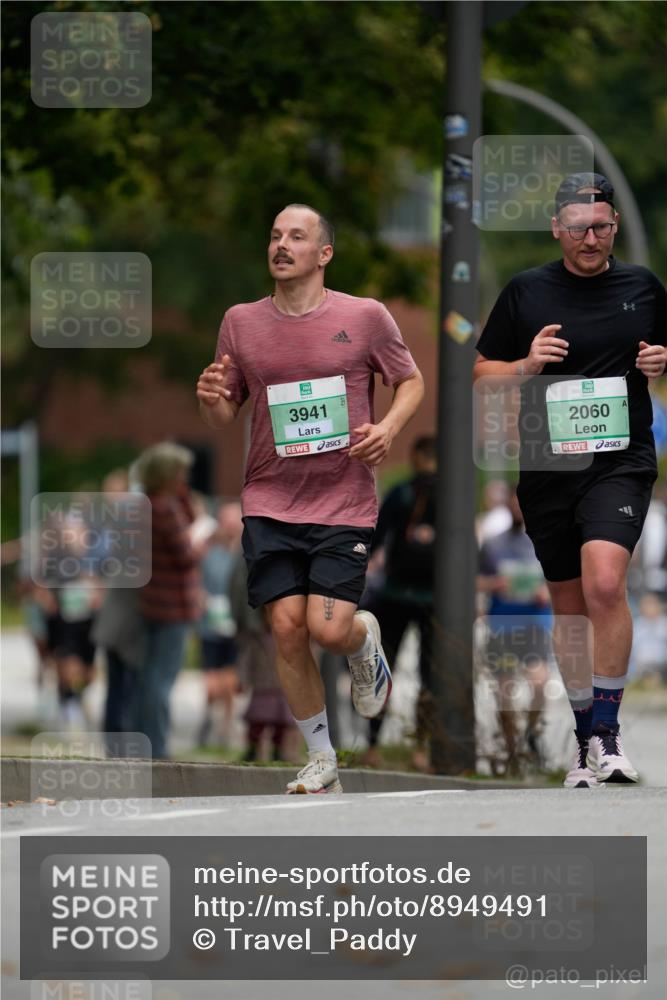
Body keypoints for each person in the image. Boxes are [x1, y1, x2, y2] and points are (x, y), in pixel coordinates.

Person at [197, 202, 424, 793]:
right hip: (268, 498)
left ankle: (361, 639)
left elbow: (410, 380)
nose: (282, 244)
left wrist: (388, 429)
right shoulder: (241, 322)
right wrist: (209, 396)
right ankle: (321, 756)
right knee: (286, 626)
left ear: (323, 253)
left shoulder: (365, 316)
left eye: (296, 236)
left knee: (327, 630)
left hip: (342, 501)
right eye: (275, 235)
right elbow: (225, 411)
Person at [474, 172, 666, 787]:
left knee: (605, 582)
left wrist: (664, 360)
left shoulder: (642, 286)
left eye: (603, 226)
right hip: (549, 468)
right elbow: (481, 373)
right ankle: (584, 740)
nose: (592, 236)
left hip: (620, 460)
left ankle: (608, 734)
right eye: (580, 226)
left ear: (614, 228)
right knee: (569, 605)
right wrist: (526, 363)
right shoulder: (526, 292)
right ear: (557, 227)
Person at [361, 434, 437, 772]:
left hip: (395, 593)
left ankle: (373, 744)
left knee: (382, 667)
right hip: (433, 598)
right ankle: (421, 748)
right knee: (429, 676)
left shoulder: (401, 492)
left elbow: (376, 538)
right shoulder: (451, 494)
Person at [131, 443, 205, 759]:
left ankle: (147, 744)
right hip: (172, 606)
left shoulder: (147, 504)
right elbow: (186, 556)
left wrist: (184, 495)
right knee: (161, 681)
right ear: (168, 474)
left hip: (152, 603)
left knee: (151, 677)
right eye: (180, 472)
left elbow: (188, 514)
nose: (184, 477)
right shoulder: (164, 509)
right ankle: (157, 748)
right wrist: (202, 541)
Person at [477, 489, 551, 775]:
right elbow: (475, 581)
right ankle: (511, 752)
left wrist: (545, 591)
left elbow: (563, 583)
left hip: (535, 623)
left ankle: (532, 733)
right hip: (501, 626)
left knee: (540, 682)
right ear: (507, 506)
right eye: (514, 502)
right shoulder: (493, 545)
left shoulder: (546, 540)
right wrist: (495, 585)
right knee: (505, 691)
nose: (519, 508)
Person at [196, 501, 244, 747]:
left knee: (230, 681)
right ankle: (211, 718)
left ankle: (225, 726)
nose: (231, 526)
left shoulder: (246, 552)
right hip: (210, 624)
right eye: (227, 521)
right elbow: (196, 578)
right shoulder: (208, 550)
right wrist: (201, 597)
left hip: (235, 626)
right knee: (213, 684)